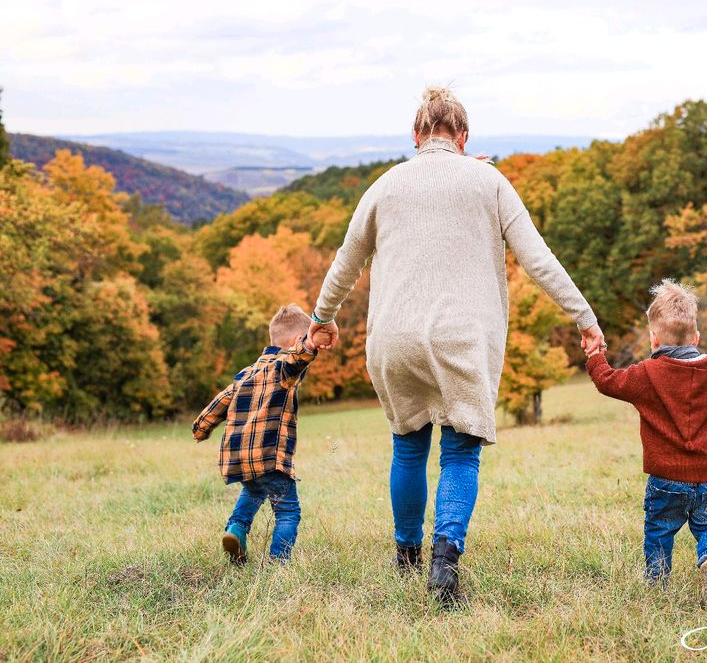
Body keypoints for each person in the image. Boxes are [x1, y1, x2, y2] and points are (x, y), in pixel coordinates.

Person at [309, 86, 605, 604]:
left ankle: (406, 555)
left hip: (393, 339)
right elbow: (538, 258)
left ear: (416, 136)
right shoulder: (489, 181)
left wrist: (321, 320)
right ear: (463, 137)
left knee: (408, 445)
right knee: (461, 452)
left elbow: (345, 262)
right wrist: (584, 317)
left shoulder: (383, 186)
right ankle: (444, 565)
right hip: (461, 337)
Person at [584, 280, 707, 612]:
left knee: (660, 530)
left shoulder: (647, 374)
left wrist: (595, 354)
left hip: (665, 480)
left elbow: (607, 380)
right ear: (696, 339)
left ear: (654, 339)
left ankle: (657, 584)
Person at [192, 304, 319, 565]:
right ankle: (278, 563)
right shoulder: (283, 369)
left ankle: (235, 530)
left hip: (240, 456)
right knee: (288, 511)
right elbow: (300, 357)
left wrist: (201, 427)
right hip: (269, 455)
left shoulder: (245, 374)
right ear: (297, 340)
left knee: (252, 491)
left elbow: (220, 402)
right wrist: (313, 342)